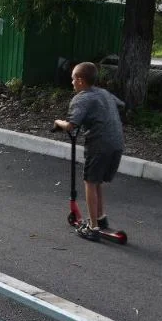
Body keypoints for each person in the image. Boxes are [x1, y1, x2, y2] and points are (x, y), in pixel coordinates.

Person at [53, 62, 125, 241]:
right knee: (97, 180)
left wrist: (57, 123)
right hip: (117, 143)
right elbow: (121, 105)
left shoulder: (82, 98)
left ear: (80, 80)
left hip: (99, 145)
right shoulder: (104, 93)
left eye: (72, 79)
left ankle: (92, 228)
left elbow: (70, 126)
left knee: (90, 182)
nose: (71, 83)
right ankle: (101, 218)